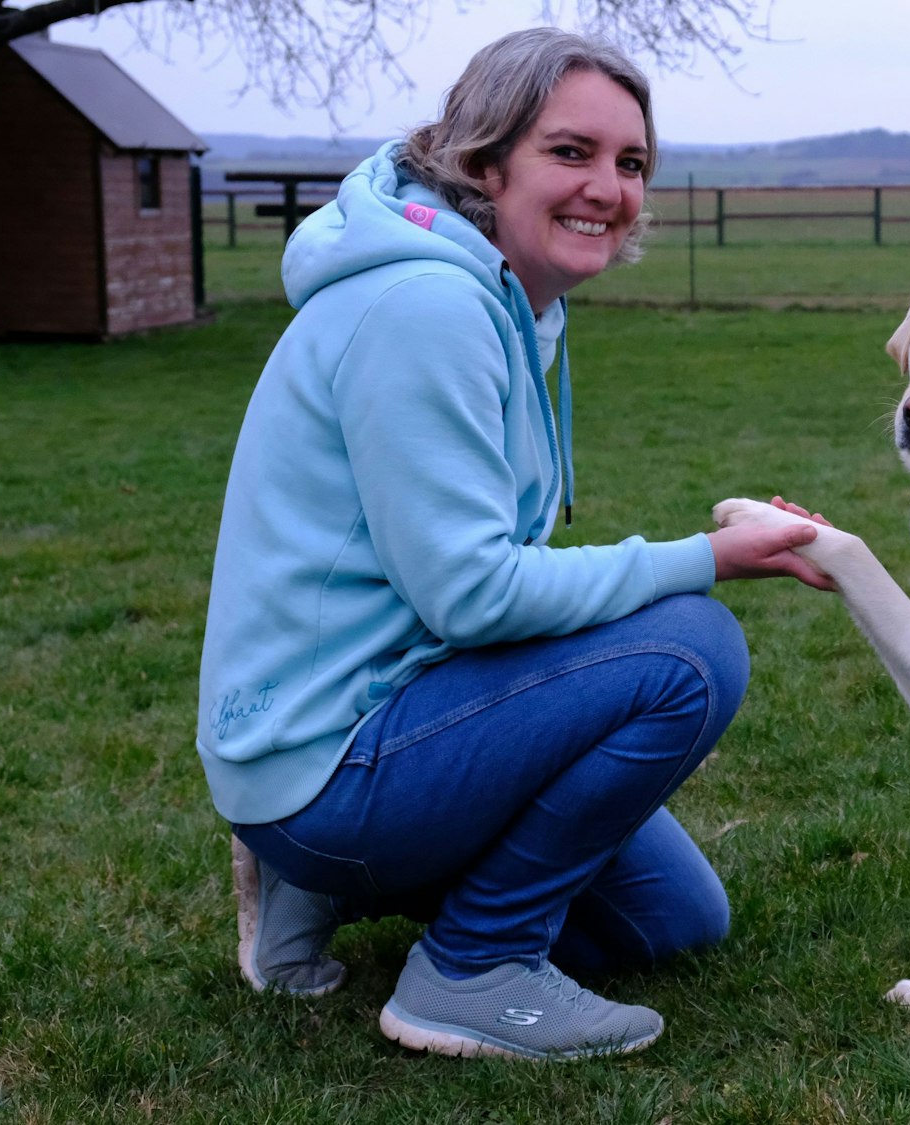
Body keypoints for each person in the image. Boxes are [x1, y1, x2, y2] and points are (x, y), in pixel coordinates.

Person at [197, 27, 828, 1062]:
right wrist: (710, 559)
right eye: (569, 152)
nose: (609, 189)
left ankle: (321, 884)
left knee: (672, 926)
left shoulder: (503, 301)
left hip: (372, 721)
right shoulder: (424, 307)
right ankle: (469, 968)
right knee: (687, 652)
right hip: (328, 754)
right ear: (484, 163)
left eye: (630, 164)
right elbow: (473, 597)